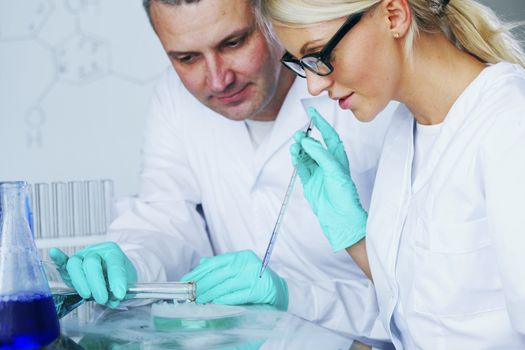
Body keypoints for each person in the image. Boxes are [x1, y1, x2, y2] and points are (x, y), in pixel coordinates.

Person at [48, 0, 398, 342]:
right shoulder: (175, 98)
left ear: (273, 15)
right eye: (186, 58)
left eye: (233, 43)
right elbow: (166, 218)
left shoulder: (367, 93)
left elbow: (423, 299)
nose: (217, 80)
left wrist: (297, 296)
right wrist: (128, 261)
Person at [262, 0, 525, 348]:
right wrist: (355, 235)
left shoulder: (509, 125)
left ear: (394, 16)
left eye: (319, 55)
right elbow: (426, 309)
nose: (313, 86)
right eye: (301, 64)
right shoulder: (404, 127)